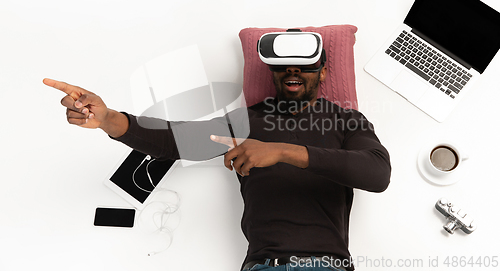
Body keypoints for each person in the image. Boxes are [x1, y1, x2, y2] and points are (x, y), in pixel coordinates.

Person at [43, 55, 391, 271]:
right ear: (271, 72)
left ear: (325, 72)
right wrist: (108, 119)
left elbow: (377, 173)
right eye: (283, 63)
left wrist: (281, 151)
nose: (293, 69)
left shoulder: (346, 121)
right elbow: (175, 139)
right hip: (263, 265)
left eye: (305, 63)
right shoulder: (247, 121)